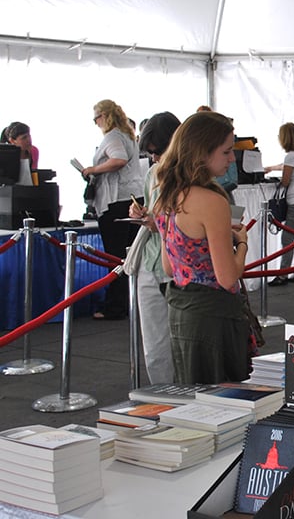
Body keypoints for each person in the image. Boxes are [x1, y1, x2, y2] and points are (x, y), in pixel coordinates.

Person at [151, 112, 250, 385]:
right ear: (201, 153)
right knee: (225, 404)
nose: (232, 159)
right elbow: (227, 277)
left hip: (182, 313)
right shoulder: (211, 201)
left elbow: (170, 267)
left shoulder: (166, 196)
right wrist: (241, 244)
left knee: (193, 400)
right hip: (213, 318)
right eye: (226, 151)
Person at [128, 111, 180, 384]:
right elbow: (153, 210)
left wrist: (156, 222)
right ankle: (162, 399)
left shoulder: (190, 173)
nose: (154, 158)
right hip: (151, 262)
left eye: (157, 151)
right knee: (155, 346)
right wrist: (142, 214)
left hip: (180, 267)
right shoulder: (151, 173)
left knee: (183, 345)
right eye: (150, 154)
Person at [83, 99, 145, 321]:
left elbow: (118, 160)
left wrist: (93, 169)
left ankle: (115, 306)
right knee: (130, 253)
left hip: (116, 201)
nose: (95, 123)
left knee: (115, 256)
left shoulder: (113, 137)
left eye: (96, 118)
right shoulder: (128, 135)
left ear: (104, 116)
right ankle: (131, 301)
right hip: (133, 196)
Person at [264, 122, 294, 286]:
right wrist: (273, 168)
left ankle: (283, 274)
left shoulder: (291, 156)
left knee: (287, 238)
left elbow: (285, 180)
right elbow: (287, 167)